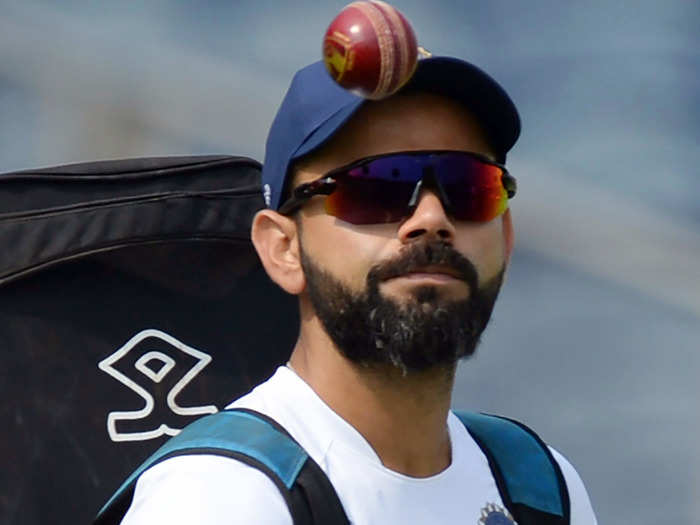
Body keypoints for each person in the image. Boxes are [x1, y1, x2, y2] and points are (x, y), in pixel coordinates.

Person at [118, 56, 597, 524]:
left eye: (469, 187)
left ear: (506, 239)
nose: (432, 219)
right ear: (284, 249)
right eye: (376, 188)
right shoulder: (221, 496)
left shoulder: (539, 487)